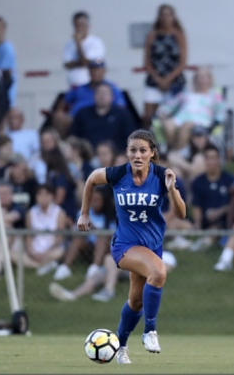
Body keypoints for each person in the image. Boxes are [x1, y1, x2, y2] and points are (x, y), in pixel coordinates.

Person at [77, 129, 186, 363]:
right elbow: (91, 179)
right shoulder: (118, 174)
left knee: (136, 301)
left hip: (152, 247)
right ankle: (150, 331)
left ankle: (120, 346)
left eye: (143, 150)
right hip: (125, 245)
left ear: (152, 153)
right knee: (158, 272)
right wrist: (84, 214)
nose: (138, 154)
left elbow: (181, 213)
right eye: (133, 150)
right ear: (127, 152)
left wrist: (172, 190)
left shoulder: (161, 176)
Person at [49, 251, 177, 303]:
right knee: (100, 274)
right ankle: (72, 295)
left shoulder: (165, 254)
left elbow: (164, 268)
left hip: (136, 270)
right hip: (125, 266)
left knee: (110, 259)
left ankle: (109, 290)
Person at [53, 186, 116, 281]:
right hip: (88, 246)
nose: (94, 203)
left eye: (97, 200)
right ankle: (65, 267)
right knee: (79, 236)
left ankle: (95, 267)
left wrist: (94, 228)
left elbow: (113, 237)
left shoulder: (111, 215)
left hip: (106, 248)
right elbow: (76, 229)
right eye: (92, 200)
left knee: (102, 236)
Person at [53, 59, 126, 137]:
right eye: (92, 69)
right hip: (78, 120)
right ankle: (62, 144)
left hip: (101, 119)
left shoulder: (111, 88)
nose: (94, 72)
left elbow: (120, 109)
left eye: (97, 70)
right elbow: (64, 101)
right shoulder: (80, 88)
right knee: (59, 116)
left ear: (103, 71)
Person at [158, 67, 226, 150]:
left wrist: (216, 122)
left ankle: (175, 152)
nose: (202, 79)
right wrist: (163, 111)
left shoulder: (214, 95)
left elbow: (221, 111)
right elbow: (173, 104)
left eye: (204, 76)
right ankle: (174, 149)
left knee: (186, 126)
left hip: (201, 120)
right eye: (199, 76)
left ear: (210, 79)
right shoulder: (187, 91)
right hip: (182, 117)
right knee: (168, 124)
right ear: (195, 79)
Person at [143, 4, 187, 128]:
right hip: (154, 81)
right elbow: (147, 61)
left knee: (174, 115)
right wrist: (158, 79)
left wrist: (168, 80)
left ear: (173, 17)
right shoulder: (152, 36)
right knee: (148, 117)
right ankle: (147, 142)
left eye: (168, 15)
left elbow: (182, 62)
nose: (165, 18)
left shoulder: (179, 35)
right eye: (163, 15)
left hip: (174, 81)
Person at [190, 145, 234, 250]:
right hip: (206, 221)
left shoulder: (229, 180)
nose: (211, 161)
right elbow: (196, 205)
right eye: (208, 158)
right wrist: (197, 223)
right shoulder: (198, 182)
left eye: (214, 158)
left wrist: (220, 211)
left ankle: (203, 245)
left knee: (216, 229)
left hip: (225, 220)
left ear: (219, 160)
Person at [70, 83, 136, 152]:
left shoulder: (122, 113)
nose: (102, 96)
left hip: (116, 156)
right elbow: (73, 137)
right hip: (89, 156)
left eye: (105, 93)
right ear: (93, 96)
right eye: (99, 93)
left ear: (112, 97)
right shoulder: (83, 113)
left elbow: (131, 137)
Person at [22, 184, 66, 276]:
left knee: (59, 252)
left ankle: (40, 265)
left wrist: (45, 253)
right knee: (13, 255)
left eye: (46, 195)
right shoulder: (31, 213)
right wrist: (32, 252)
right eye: (40, 195)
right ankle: (44, 265)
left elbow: (59, 238)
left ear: (52, 197)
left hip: (52, 250)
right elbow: (29, 236)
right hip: (35, 250)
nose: (43, 198)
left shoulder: (59, 212)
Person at [63, 11, 105, 88]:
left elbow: (85, 62)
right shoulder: (69, 43)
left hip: (88, 85)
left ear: (88, 26)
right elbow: (67, 64)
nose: (79, 28)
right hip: (73, 83)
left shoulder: (95, 42)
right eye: (77, 25)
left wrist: (79, 44)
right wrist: (80, 63)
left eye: (82, 25)